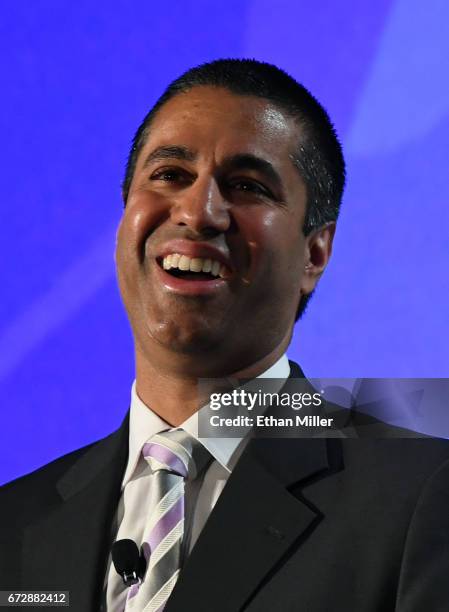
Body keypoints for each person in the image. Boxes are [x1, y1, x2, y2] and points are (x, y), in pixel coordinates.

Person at [1, 59, 448, 612]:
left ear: (316, 252)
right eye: (169, 175)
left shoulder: (422, 498)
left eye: (246, 186)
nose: (197, 212)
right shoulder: (14, 522)